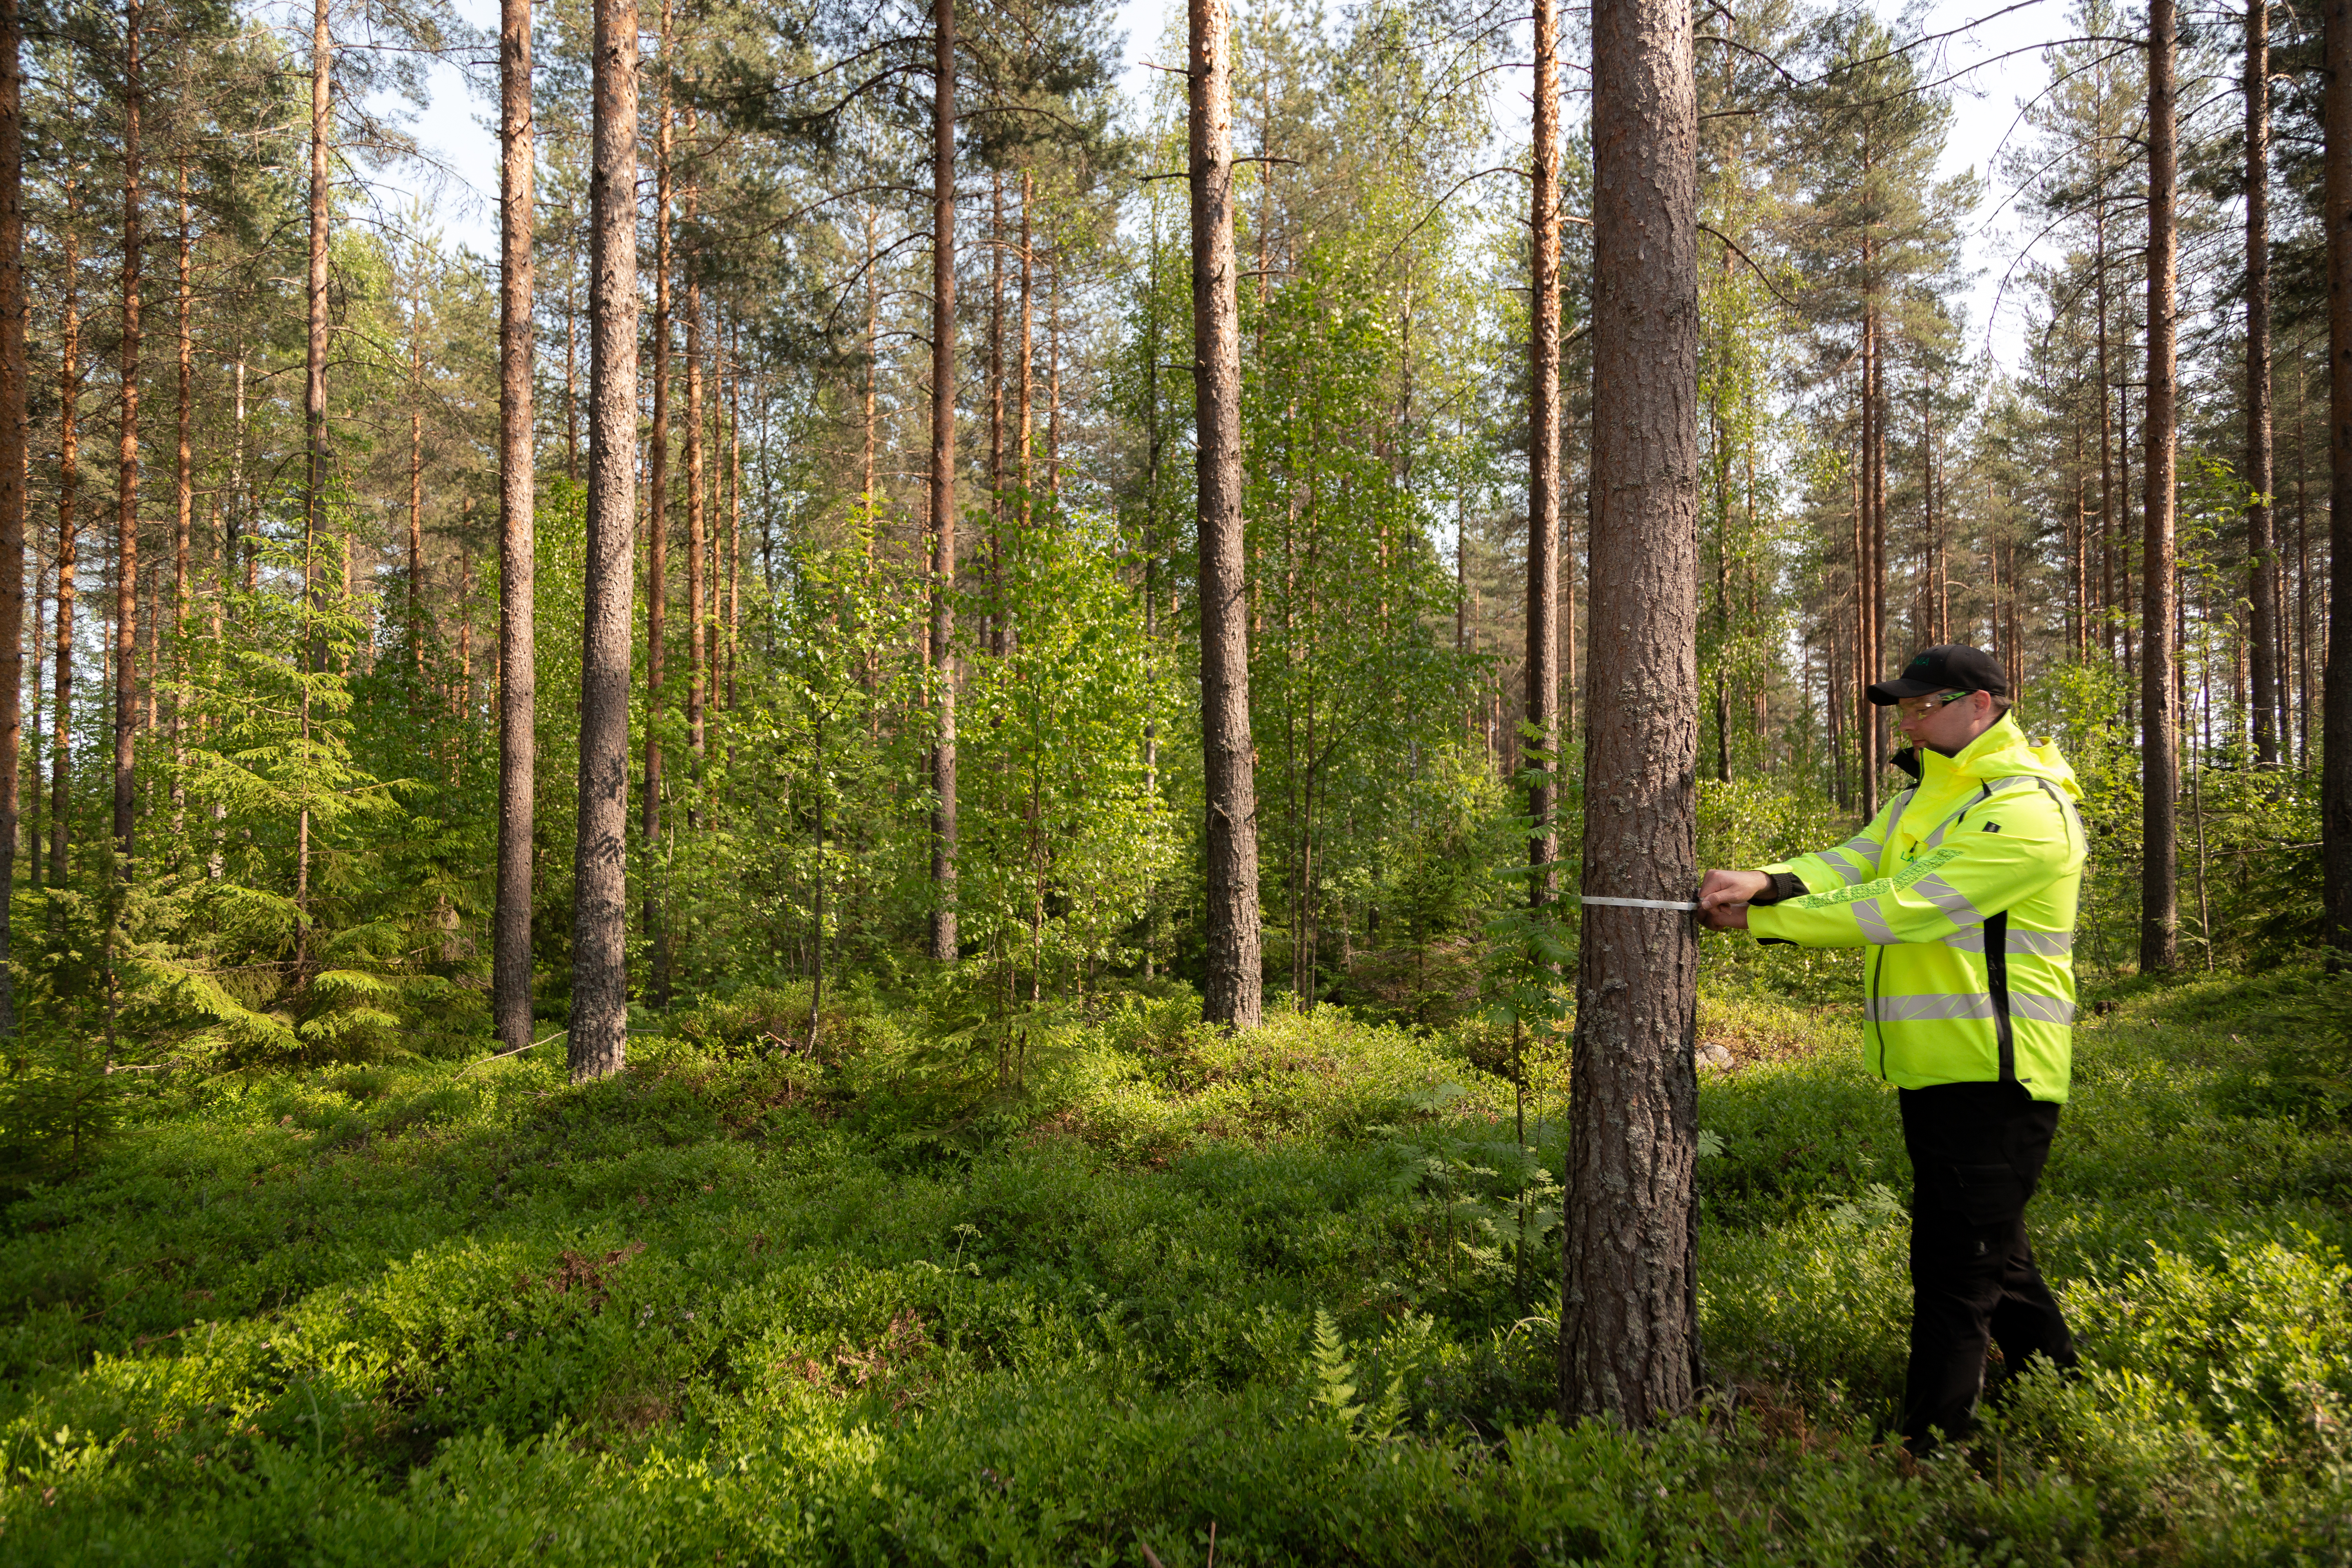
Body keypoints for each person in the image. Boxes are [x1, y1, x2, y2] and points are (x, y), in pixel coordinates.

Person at [1697, 644, 2086, 1450]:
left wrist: (1766, 922)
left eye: (1923, 703)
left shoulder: (2028, 810)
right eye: (1901, 707)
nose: (1908, 718)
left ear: (1982, 704)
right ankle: (2065, 1391)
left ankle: (1933, 1446)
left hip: (1998, 1074)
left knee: (1955, 1270)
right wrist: (1769, 880)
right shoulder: (1925, 797)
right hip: (1937, 1070)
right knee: (1994, 1251)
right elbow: (1856, 862)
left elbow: (1907, 904)